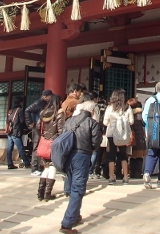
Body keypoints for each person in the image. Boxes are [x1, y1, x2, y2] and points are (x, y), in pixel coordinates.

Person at [59, 100, 102, 234]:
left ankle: (75, 216)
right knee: (78, 189)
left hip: (68, 156)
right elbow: (96, 142)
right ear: (92, 111)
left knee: (73, 187)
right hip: (82, 156)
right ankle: (67, 224)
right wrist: (90, 149)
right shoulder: (92, 123)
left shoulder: (69, 121)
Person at [102, 88, 134, 185]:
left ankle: (111, 177)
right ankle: (125, 178)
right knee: (123, 155)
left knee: (112, 155)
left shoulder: (110, 107)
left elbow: (105, 122)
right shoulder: (127, 107)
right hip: (123, 134)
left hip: (111, 134)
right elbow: (131, 121)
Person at [37, 94, 65, 201]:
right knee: (52, 167)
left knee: (46, 167)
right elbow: (61, 130)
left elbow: (38, 127)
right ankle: (47, 194)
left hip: (44, 143)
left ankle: (40, 193)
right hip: (54, 143)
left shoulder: (43, 113)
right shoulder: (59, 113)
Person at [25, 89, 53, 176]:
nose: (46, 98)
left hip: (42, 127)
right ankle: (34, 168)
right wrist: (30, 122)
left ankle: (40, 166)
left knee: (41, 146)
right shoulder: (39, 103)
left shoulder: (46, 103)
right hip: (37, 127)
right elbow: (27, 110)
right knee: (36, 146)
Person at [5, 97, 31, 169]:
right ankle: (27, 163)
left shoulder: (10, 111)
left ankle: (10, 164)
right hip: (16, 132)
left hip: (9, 132)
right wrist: (26, 127)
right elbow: (22, 121)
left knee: (9, 148)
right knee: (21, 148)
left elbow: (8, 121)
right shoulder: (19, 110)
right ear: (20, 103)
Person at [127, 97, 146, 175]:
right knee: (139, 156)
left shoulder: (128, 114)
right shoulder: (140, 114)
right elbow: (144, 124)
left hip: (131, 138)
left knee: (132, 156)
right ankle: (138, 173)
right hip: (140, 138)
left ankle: (132, 172)